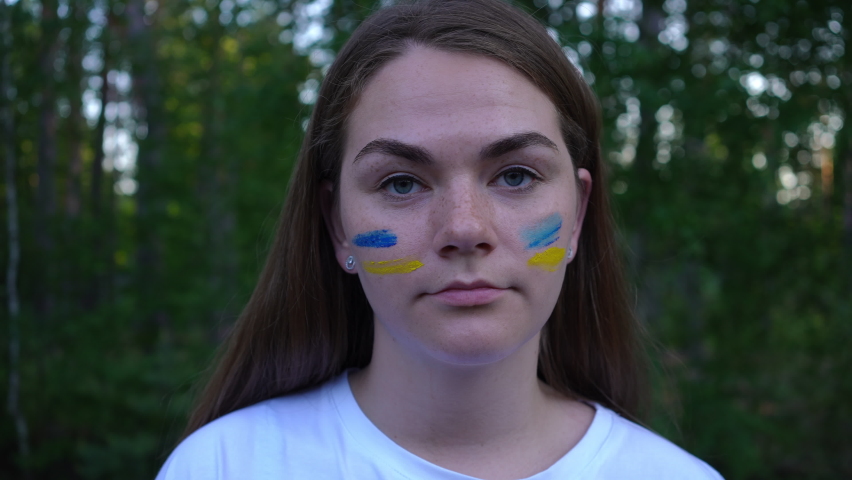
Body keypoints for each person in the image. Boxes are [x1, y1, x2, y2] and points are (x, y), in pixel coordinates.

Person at [156, 0, 723, 478]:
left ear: (576, 217)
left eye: (516, 176)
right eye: (402, 182)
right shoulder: (227, 466)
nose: (465, 229)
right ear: (336, 224)